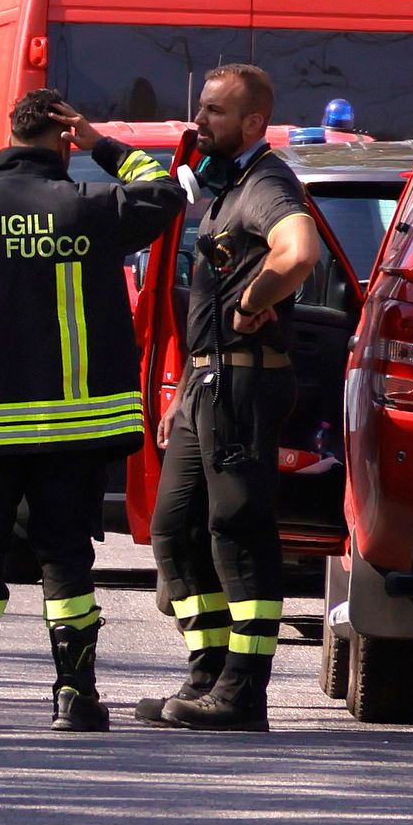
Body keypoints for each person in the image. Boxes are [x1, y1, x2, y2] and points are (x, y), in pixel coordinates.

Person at [0, 89, 182, 730]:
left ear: (10, 134)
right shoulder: (90, 207)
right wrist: (101, 143)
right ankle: (74, 696)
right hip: (72, 432)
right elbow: (165, 193)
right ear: (62, 135)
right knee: (66, 557)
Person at [139, 62, 326, 731]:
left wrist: (254, 300)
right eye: (202, 108)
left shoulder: (267, 183)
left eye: (215, 112)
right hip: (205, 383)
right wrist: (183, 390)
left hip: (244, 383)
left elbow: (298, 251)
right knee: (174, 531)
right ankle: (207, 675)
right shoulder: (225, 188)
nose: (200, 121)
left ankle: (244, 691)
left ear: (252, 122)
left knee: (239, 533)